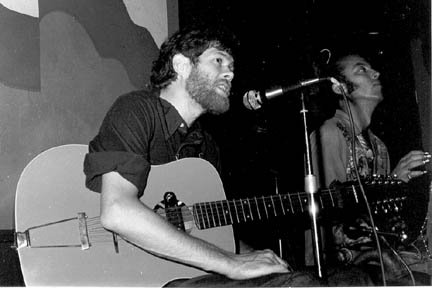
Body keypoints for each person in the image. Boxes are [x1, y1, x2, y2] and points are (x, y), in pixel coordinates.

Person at [83, 25, 374, 287]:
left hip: (185, 274)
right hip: (142, 277)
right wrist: (231, 263)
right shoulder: (136, 110)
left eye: (232, 65)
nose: (230, 72)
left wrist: (252, 257)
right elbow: (117, 211)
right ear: (182, 65)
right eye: (218, 60)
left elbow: (211, 227)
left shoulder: (206, 148)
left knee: (351, 279)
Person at [308, 51, 431, 284]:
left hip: (374, 261)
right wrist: (390, 182)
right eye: (361, 70)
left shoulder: (378, 146)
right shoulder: (330, 134)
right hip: (341, 268)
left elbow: (379, 222)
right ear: (339, 88)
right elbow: (330, 215)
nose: (376, 73)